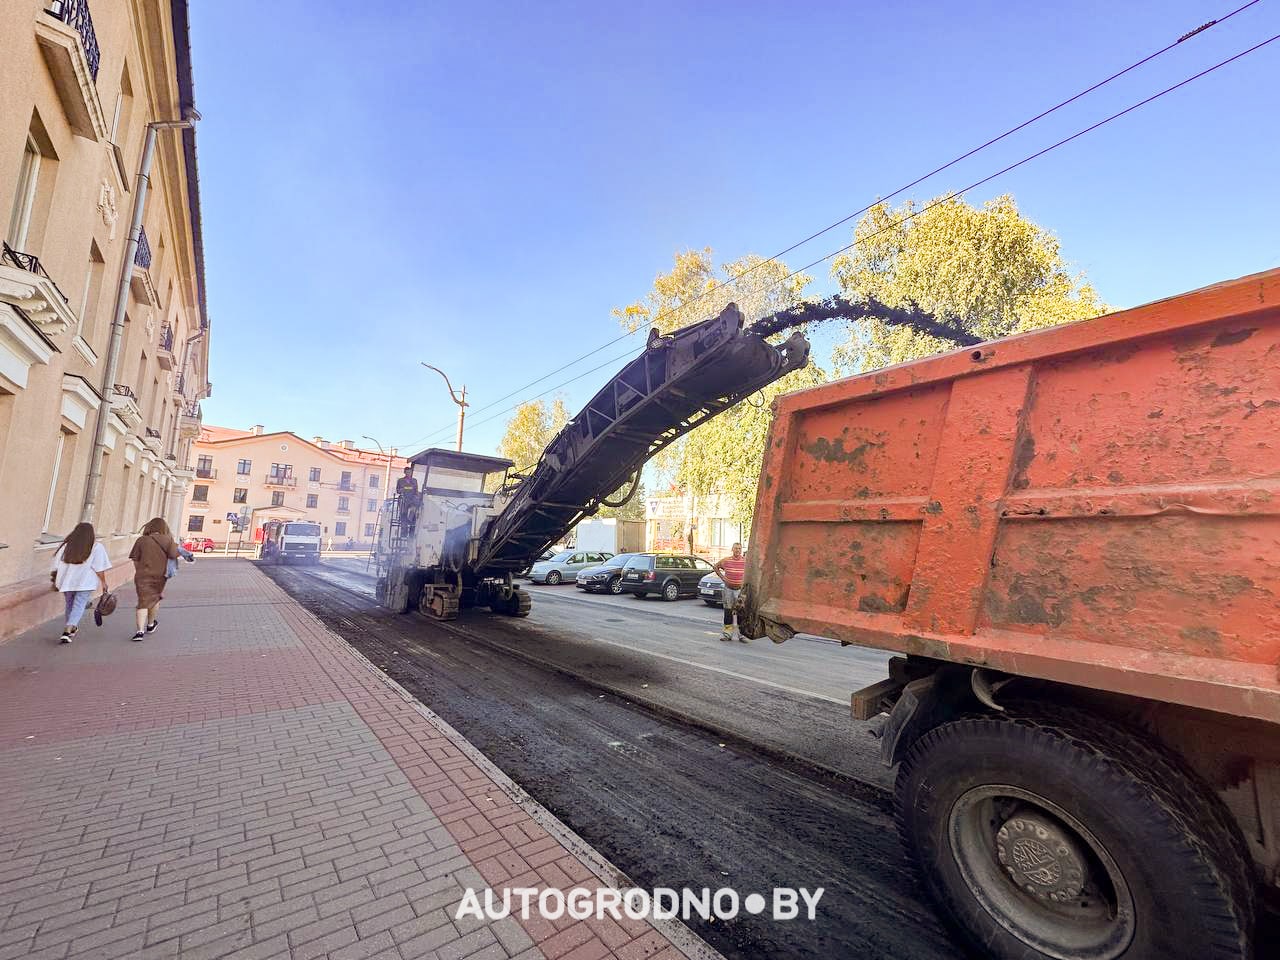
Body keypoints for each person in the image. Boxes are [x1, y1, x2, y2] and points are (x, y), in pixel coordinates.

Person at [50, 522, 111, 644]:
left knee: (70, 604)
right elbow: (99, 568)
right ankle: (68, 630)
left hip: (67, 582)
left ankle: (71, 627)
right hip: (85, 582)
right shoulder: (96, 547)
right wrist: (104, 582)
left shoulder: (66, 546)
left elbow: (56, 565)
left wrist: (56, 579)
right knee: (78, 605)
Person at [128, 517, 180, 641]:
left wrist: (140, 570)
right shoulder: (168, 540)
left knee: (143, 600)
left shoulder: (142, 540)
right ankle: (150, 625)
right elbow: (174, 554)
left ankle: (140, 631)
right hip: (160, 576)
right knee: (155, 598)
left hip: (142, 575)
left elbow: (135, 559)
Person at [713, 542, 748, 643]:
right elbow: (716, 567)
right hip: (728, 590)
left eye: (739, 549)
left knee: (741, 613)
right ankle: (727, 634)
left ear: (741, 550)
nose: (737, 550)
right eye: (736, 548)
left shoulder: (745, 561)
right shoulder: (726, 561)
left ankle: (742, 635)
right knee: (728, 612)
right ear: (732, 549)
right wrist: (723, 578)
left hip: (740, 591)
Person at [395, 465, 420, 532]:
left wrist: (417, 497)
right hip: (404, 499)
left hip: (412, 498)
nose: (409, 473)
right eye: (407, 472)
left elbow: (416, 490)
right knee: (403, 514)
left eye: (410, 472)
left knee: (413, 508)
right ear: (405, 472)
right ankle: (404, 530)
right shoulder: (400, 480)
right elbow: (398, 490)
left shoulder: (414, 480)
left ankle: (410, 519)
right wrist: (402, 490)